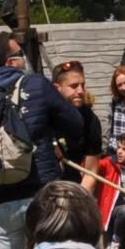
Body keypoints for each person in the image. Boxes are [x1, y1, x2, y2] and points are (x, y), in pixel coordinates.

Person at [0, 33, 85, 249]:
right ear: (11, 62)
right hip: (40, 192)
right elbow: (76, 125)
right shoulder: (36, 85)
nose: (24, 58)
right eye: (20, 54)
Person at [53, 61, 105, 190]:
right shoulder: (44, 115)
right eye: (74, 86)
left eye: (83, 85)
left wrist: (80, 202)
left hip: (72, 186)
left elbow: (90, 173)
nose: (81, 91)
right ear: (56, 88)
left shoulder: (90, 120)